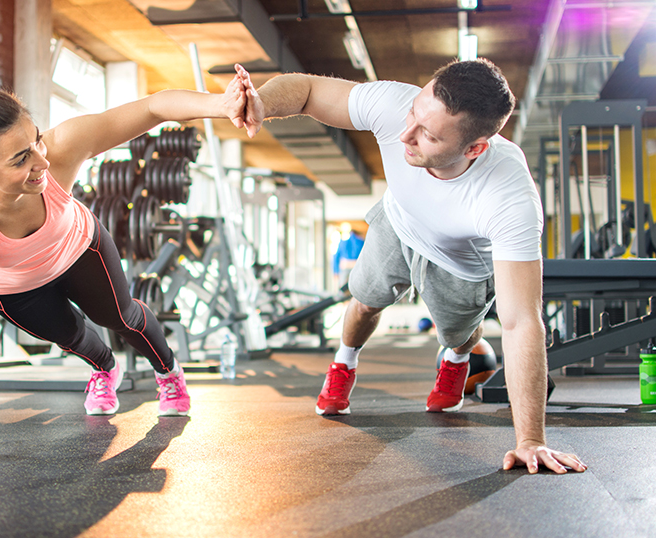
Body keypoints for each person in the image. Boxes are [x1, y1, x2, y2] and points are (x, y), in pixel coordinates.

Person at [234, 60, 587, 474]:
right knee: (363, 301)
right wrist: (261, 101)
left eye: (430, 135)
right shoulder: (394, 104)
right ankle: (344, 364)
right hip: (397, 223)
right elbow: (309, 91)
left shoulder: (508, 196)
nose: (405, 135)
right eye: (414, 114)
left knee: (456, 335)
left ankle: (456, 360)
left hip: (458, 263)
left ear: (475, 148)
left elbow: (521, 321)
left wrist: (531, 441)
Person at [0, 78, 249, 468]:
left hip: (78, 247)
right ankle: (104, 369)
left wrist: (222, 104)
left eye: (36, 141)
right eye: (19, 159)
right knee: (72, 335)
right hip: (11, 284)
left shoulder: (60, 150)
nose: (41, 162)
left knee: (120, 318)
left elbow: (154, 107)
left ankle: (169, 372)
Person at [332, 222, 364, 287]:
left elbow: (336, 257)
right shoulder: (361, 242)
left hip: (345, 266)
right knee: (356, 288)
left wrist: (336, 272)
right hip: (356, 267)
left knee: (343, 288)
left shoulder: (343, 242)